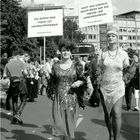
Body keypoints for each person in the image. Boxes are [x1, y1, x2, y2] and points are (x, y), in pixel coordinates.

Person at [46, 39, 92, 140]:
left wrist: (79, 82)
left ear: (71, 52)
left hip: (71, 99)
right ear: (60, 52)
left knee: (69, 124)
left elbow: (82, 79)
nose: (65, 52)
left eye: (67, 50)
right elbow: (52, 82)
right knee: (60, 125)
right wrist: (48, 79)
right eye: (63, 50)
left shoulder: (77, 65)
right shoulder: (55, 66)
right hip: (58, 99)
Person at [98, 24, 129, 140]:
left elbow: (127, 70)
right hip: (104, 87)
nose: (111, 38)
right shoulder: (102, 53)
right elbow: (98, 70)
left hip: (118, 87)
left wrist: (125, 80)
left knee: (116, 113)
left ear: (117, 38)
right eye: (109, 36)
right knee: (107, 115)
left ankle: (116, 138)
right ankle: (110, 133)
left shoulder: (123, 54)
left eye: (113, 36)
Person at [3, 51, 28, 125]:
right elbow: (26, 73)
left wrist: (9, 75)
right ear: (17, 56)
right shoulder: (21, 63)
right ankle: (18, 114)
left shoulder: (7, 64)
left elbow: (4, 75)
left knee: (15, 99)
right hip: (20, 82)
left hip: (13, 83)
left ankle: (14, 117)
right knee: (24, 99)